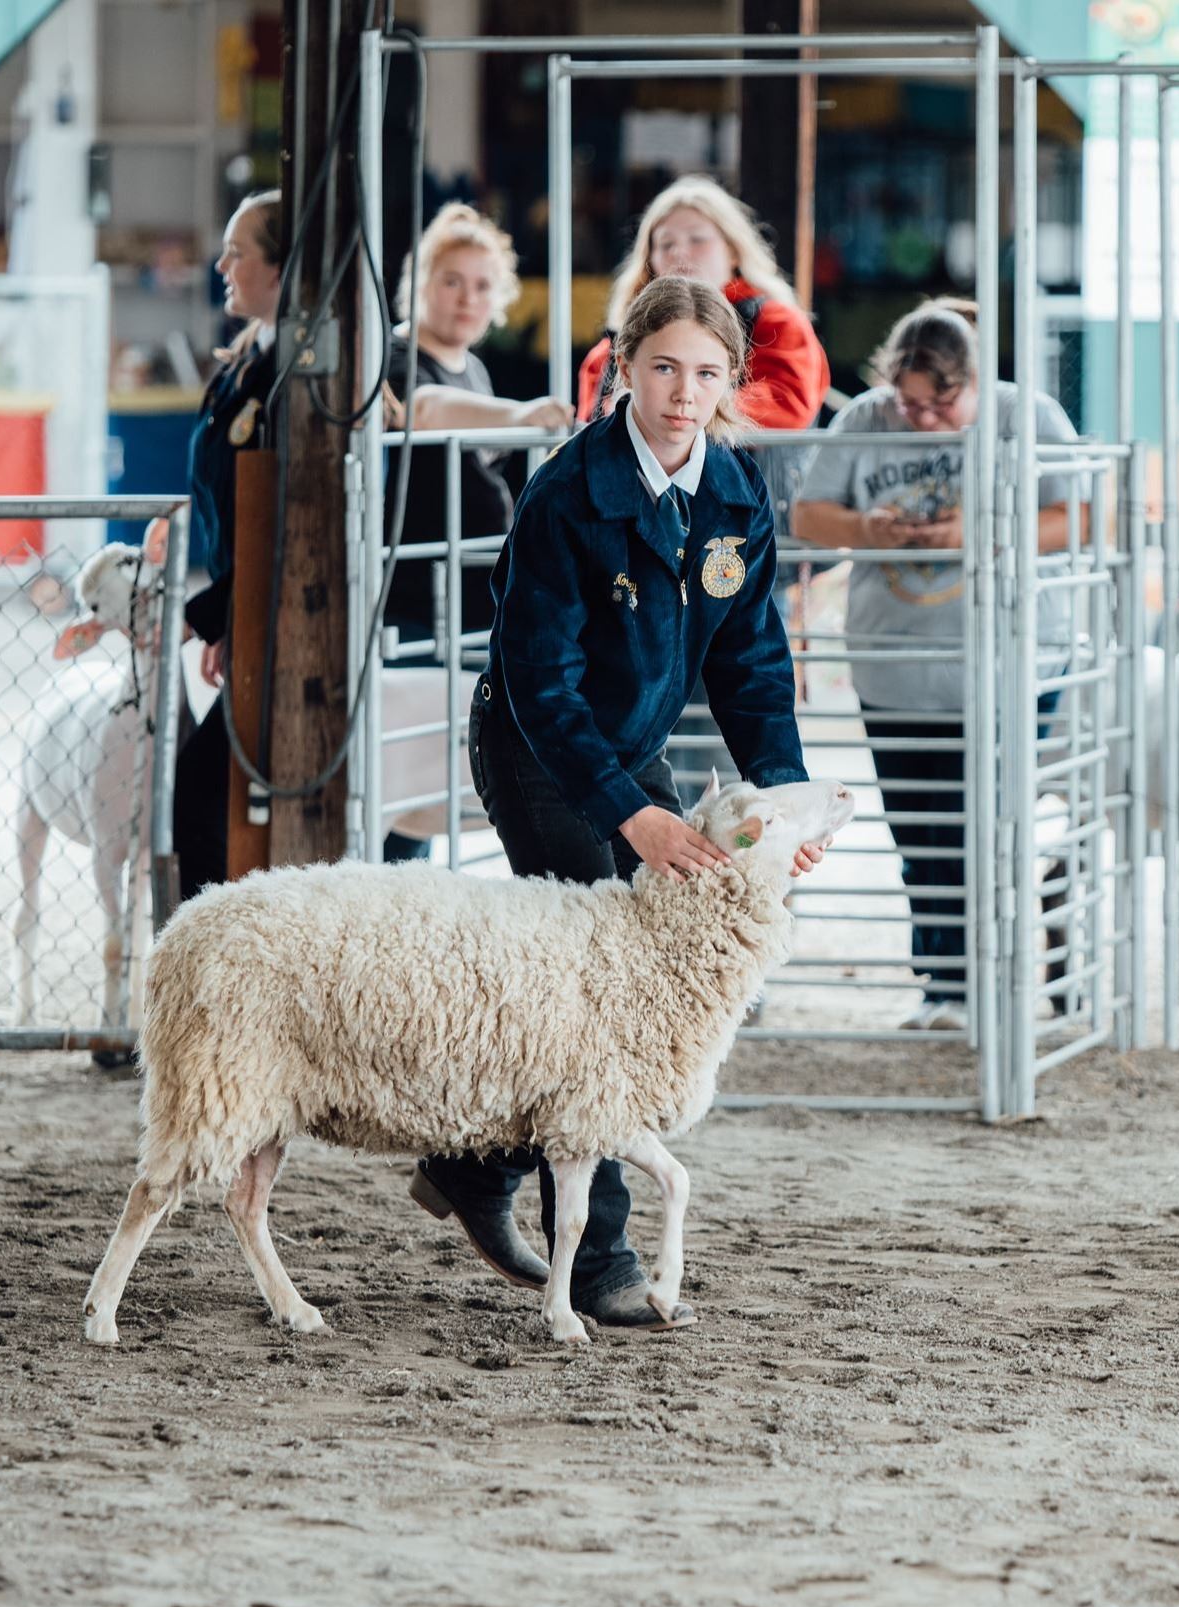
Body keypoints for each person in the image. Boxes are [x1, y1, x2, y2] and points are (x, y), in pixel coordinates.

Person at [409, 275, 830, 1332]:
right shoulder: (568, 494)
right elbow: (541, 680)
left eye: (706, 372)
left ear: (732, 378)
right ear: (623, 366)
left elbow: (752, 667)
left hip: (625, 746)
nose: (684, 392)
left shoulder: (733, 494)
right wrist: (628, 812)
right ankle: (597, 1258)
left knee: (651, 980)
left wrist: (783, 808)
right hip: (536, 749)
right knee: (595, 998)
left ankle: (474, 1161)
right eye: (663, 368)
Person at [791, 303, 1078, 1031]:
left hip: (1009, 669)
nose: (920, 419)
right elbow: (807, 513)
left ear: (975, 382)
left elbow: (1077, 514)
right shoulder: (864, 420)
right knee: (920, 833)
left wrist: (980, 529)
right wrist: (866, 528)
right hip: (896, 667)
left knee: (994, 825)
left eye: (940, 404)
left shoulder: (1030, 415)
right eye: (908, 402)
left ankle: (1000, 980)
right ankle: (945, 987)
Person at [577, 174, 830, 790]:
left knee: (734, 700)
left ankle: (736, 864)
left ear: (734, 248)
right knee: (632, 711)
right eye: (665, 243)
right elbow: (592, 415)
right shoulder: (616, 341)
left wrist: (671, 410)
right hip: (631, 551)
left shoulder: (775, 322)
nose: (681, 252)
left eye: (698, 238)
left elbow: (789, 403)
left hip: (733, 543)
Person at [380, 203, 572, 859]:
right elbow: (425, 412)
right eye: (452, 280)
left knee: (445, 771)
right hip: (411, 601)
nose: (467, 298)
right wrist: (522, 415)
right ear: (420, 284)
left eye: (483, 285)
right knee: (401, 774)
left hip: (468, 603)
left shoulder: (475, 370)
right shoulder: (398, 356)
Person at [145, 190, 281, 903]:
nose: (222, 262)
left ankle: (205, 972)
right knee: (205, 803)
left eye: (240, 250)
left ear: (283, 268)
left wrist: (205, 614)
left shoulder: (291, 378)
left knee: (197, 802)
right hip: (241, 614)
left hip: (277, 623)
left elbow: (283, 522)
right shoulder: (242, 365)